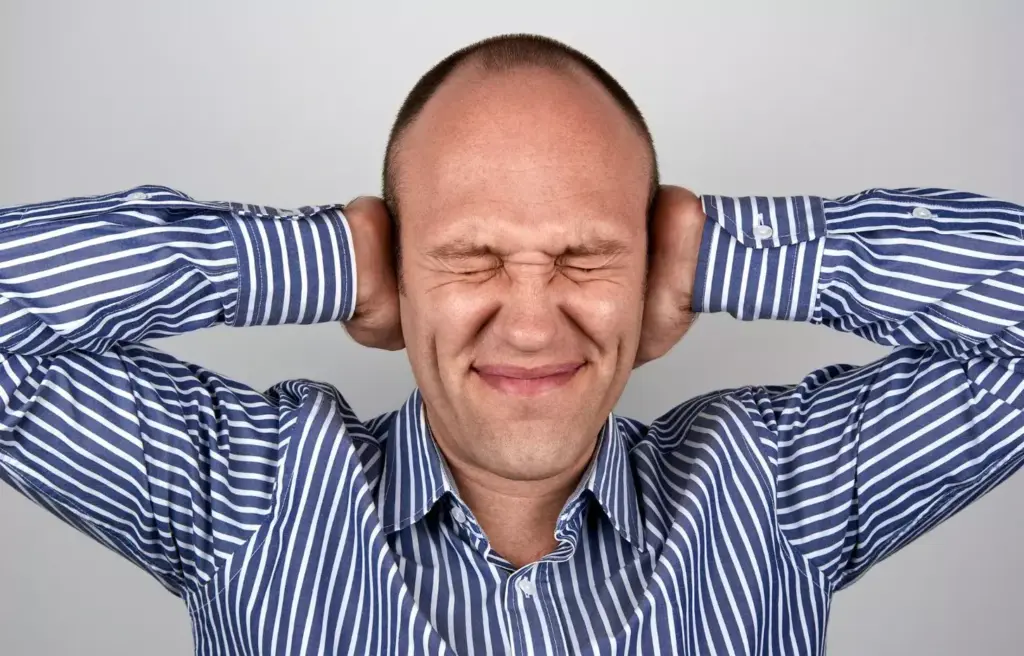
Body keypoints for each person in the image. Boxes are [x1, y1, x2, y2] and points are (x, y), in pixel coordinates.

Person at [1, 32, 1022, 656]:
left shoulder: (772, 489)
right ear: (399, 276)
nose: (531, 321)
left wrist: (721, 253)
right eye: (470, 256)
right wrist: (322, 257)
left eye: (584, 256)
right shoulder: (242, 490)